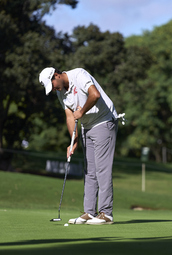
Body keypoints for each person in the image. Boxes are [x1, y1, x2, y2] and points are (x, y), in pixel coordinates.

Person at [39, 67, 118, 225]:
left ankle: (106, 214)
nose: (54, 88)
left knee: (102, 169)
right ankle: (89, 212)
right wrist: (73, 141)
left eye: (53, 84)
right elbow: (69, 116)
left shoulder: (79, 75)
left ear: (57, 75)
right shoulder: (60, 92)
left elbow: (95, 95)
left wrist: (81, 112)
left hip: (104, 121)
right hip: (87, 127)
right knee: (89, 171)